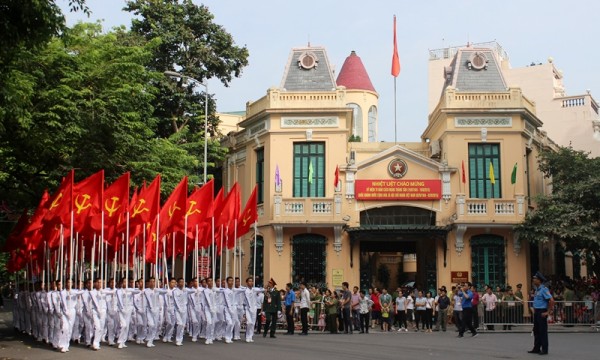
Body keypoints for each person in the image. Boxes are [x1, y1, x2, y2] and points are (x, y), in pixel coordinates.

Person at [528, 271, 554, 355]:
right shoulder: (536, 290)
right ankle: (536, 348)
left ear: (539, 280)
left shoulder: (544, 289)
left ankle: (544, 349)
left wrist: (548, 312)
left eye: (535, 279)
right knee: (536, 330)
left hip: (542, 311)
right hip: (537, 311)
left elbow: (551, 300)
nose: (533, 280)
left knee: (542, 331)